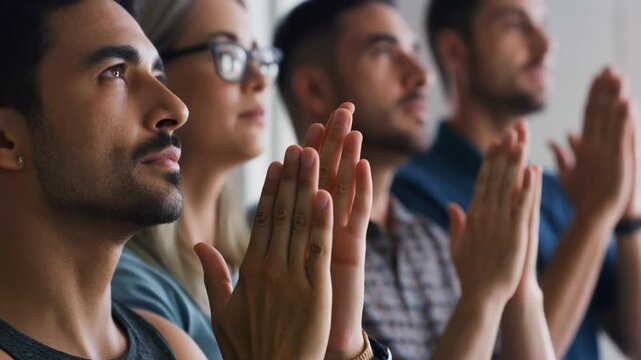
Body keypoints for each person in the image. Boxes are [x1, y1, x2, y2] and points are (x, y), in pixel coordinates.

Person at [0, 0, 381, 359]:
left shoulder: (173, 344)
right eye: (114, 72)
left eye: (158, 74)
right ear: (6, 137)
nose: (176, 109)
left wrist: (340, 348)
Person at [274, 0, 554, 359]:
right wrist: (482, 297)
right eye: (385, 52)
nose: (422, 75)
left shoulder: (434, 243)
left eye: (414, 52)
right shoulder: (281, 252)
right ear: (315, 89)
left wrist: (521, 285)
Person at [392, 0, 641, 358]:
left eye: (543, 25)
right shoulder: (412, 192)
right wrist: (596, 216)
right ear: (454, 50)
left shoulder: (559, 192)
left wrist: (627, 218)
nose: (545, 46)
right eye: (515, 25)